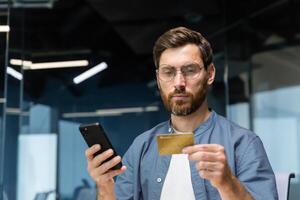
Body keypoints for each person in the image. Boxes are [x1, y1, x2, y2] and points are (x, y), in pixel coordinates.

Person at [85, 27, 278, 200]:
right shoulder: (142, 146)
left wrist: (227, 183)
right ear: (158, 78)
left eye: (190, 70)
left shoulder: (243, 143)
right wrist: (105, 185)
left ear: (210, 74)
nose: (179, 82)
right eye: (168, 72)